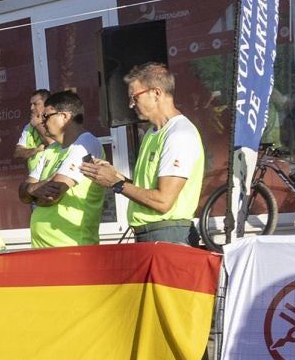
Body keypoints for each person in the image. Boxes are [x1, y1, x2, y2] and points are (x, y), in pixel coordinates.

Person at [80, 63, 204, 244]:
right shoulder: (152, 133)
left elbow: (163, 201)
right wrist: (114, 175)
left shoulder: (179, 134)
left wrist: (117, 183)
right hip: (152, 234)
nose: (131, 105)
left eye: (134, 97)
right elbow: (147, 190)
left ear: (156, 93)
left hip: (168, 236)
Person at [18, 89, 105, 248]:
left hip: (71, 247)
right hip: (42, 249)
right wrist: (33, 189)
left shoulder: (85, 143)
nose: (42, 122)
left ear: (64, 116)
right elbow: (22, 194)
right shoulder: (51, 149)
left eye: (46, 116)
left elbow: (52, 195)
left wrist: (31, 191)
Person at [14, 88, 51, 164]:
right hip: (35, 175)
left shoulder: (55, 121)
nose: (31, 108)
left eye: (35, 104)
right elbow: (18, 153)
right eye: (31, 104)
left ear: (47, 104)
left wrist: (38, 126)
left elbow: (51, 143)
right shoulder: (29, 126)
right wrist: (36, 150)